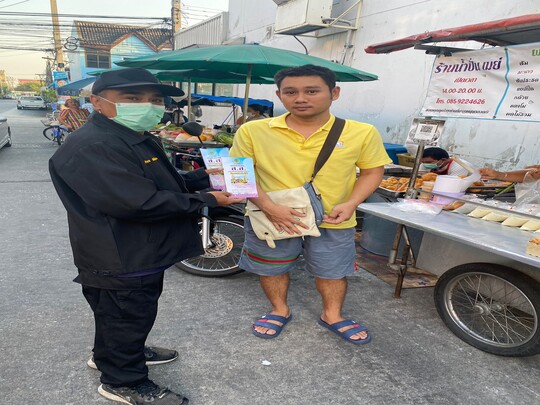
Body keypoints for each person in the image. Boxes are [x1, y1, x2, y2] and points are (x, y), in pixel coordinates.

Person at [49, 68, 242, 404]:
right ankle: (123, 380)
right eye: (133, 98)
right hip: (119, 254)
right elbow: (138, 202)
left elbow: (161, 182)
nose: (148, 105)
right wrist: (208, 199)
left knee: (122, 316)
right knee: (127, 315)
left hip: (140, 248)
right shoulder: (94, 146)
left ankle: (115, 354)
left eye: (154, 99)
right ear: (97, 102)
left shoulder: (131, 136)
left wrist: (205, 178)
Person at [229, 64, 392, 344]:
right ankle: (279, 309)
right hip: (270, 215)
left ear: (334, 93)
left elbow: (372, 171)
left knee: (333, 270)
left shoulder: (361, 132)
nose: (300, 98)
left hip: (333, 217)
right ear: (279, 95)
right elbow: (238, 175)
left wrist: (352, 203)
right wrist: (269, 207)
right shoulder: (253, 131)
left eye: (312, 91)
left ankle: (333, 315)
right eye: (290, 92)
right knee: (272, 267)